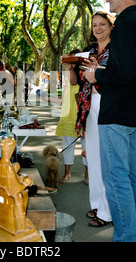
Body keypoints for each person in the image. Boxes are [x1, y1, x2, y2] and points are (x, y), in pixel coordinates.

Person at [84, 0, 136, 242]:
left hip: (117, 115)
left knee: (117, 178)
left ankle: (126, 236)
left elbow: (123, 72)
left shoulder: (126, 24)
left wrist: (97, 75)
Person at [75, 12, 115, 228]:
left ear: (111, 25)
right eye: (94, 25)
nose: (97, 28)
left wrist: (95, 69)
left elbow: (116, 77)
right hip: (89, 106)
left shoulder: (116, 49)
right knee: (93, 157)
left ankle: (108, 212)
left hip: (108, 105)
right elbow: (81, 78)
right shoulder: (90, 51)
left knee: (107, 159)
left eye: (102, 24)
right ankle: (97, 204)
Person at [55, 49, 87, 184]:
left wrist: (71, 67)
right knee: (67, 145)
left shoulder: (84, 70)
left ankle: (87, 175)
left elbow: (75, 82)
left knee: (87, 146)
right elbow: (69, 87)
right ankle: (67, 173)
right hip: (69, 114)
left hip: (83, 114)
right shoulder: (70, 73)